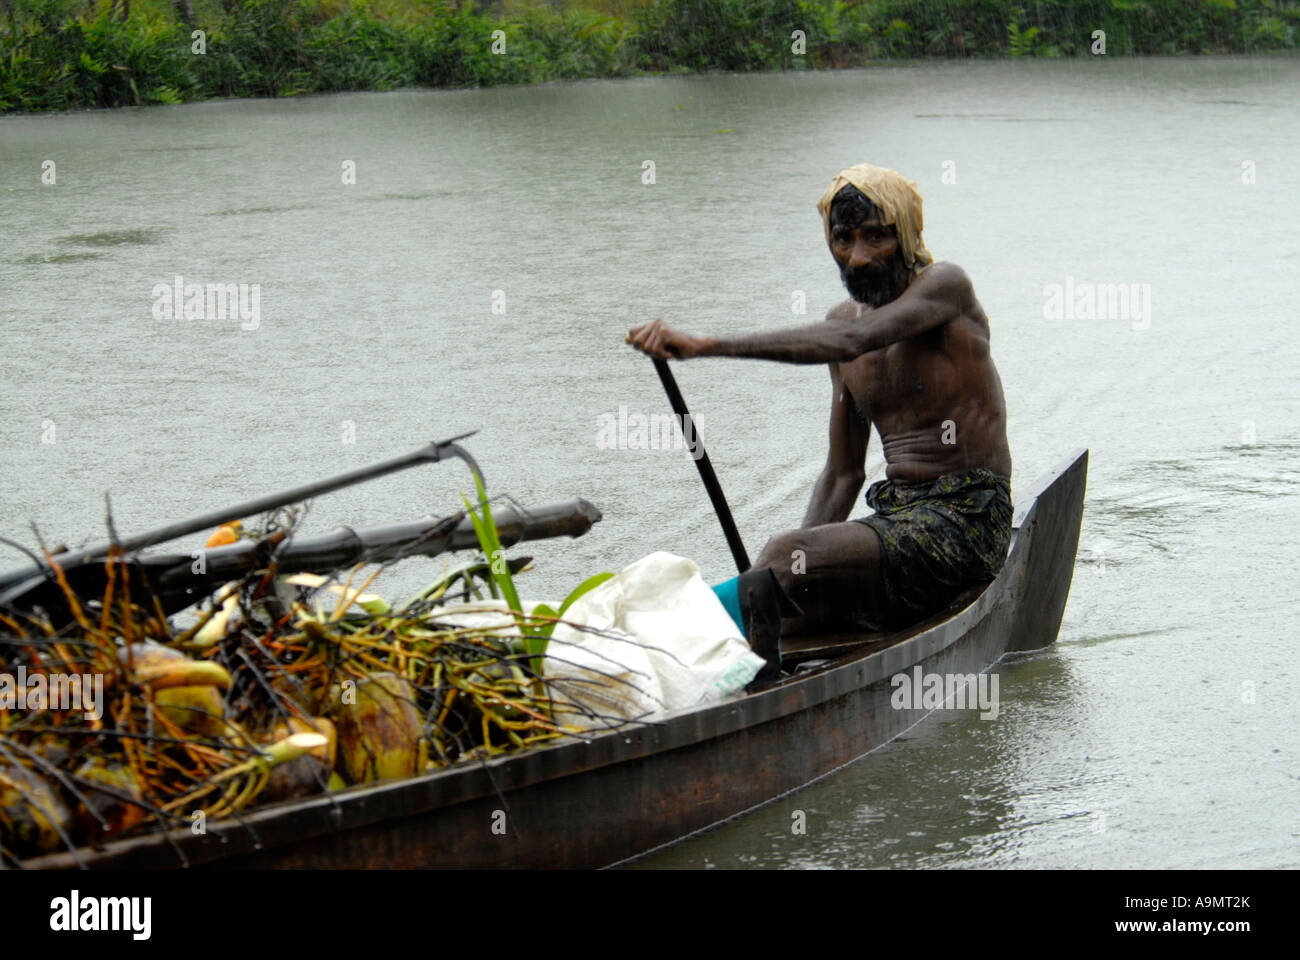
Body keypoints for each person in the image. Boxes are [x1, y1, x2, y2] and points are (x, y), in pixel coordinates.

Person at [625, 164, 1013, 678]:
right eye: (844, 239)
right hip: (897, 524)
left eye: (876, 237)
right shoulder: (838, 326)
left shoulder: (945, 289)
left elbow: (857, 340)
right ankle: (692, 668)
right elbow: (842, 473)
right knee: (780, 603)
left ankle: (657, 655)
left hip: (966, 522)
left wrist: (708, 346)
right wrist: (786, 576)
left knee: (784, 558)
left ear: (906, 235)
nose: (858, 255)